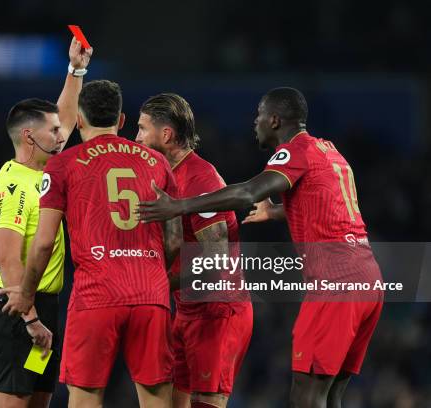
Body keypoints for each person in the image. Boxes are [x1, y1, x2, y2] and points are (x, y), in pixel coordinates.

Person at [137, 87, 384, 408]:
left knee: (306, 396)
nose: (255, 122)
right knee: (331, 394)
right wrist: (280, 210)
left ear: (275, 120)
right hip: (368, 279)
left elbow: (245, 194)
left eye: (259, 116)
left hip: (335, 282)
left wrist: (180, 206)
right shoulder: (328, 150)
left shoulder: (293, 151)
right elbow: (332, 205)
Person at [0, 80, 182, 408]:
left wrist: (27, 293)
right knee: (156, 400)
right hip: (151, 294)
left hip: (96, 295)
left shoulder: (63, 164)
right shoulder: (157, 162)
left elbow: (42, 244)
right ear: (122, 120)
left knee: (84, 401)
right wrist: (153, 271)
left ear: (79, 120)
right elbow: (175, 239)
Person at [0, 37, 92, 408]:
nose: (64, 134)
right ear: (29, 136)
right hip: (17, 310)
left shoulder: (45, 170)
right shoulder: (12, 184)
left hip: (45, 306)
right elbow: (9, 261)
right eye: (55, 132)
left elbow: (62, 115)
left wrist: (76, 70)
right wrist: (30, 320)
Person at [135, 93, 253, 408]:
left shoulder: (199, 179)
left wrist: (158, 284)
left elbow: (216, 261)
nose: (136, 138)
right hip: (187, 311)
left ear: (166, 135)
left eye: (141, 129)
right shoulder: (165, 176)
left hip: (217, 313)